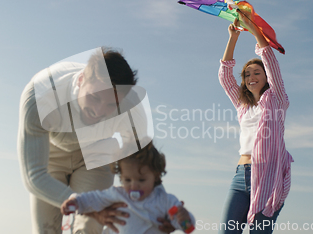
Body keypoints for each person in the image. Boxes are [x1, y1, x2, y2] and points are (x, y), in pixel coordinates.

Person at [17, 47, 174, 234]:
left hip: (97, 154)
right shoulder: (40, 97)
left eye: (111, 105)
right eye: (94, 97)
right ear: (82, 79)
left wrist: (162, 211)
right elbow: (34, 175)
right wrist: (86, 206)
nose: (99, 111)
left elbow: (144, 165)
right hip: (52, 156)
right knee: (46, 230)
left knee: (90, 228)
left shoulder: (132, 108)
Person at [218, 14, 294, 234]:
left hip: (267, 178)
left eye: (256, 73)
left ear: (266, 77)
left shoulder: (277, 100)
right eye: (247, 74)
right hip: (241, 175)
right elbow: (225, 77)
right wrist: (232, 38)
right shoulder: (243, 105)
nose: (251, 77)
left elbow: (270, 61)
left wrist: (253, 29)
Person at [60, 142, 195, 234]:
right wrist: (75, 201)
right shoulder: (117, 194)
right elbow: (93, 198)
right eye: (127, 180)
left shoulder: (165, 200)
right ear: (121, 176)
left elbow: (184, 225)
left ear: (156, 176)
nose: (134, 185)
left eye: (141, 180)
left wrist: (184, 219)